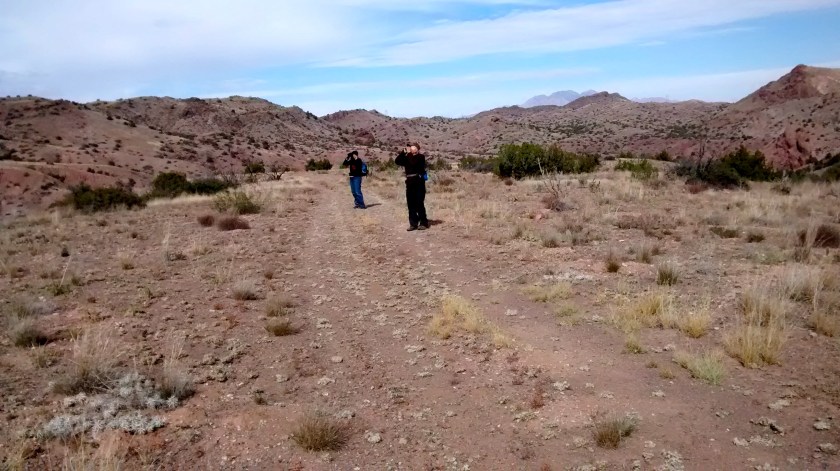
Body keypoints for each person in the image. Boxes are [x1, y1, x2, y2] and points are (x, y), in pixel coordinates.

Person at [394, 143, 429, 231]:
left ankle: (423, 222)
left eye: (413, 147)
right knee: (411, 204)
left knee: (419, 203)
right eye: (410, 148)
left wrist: (409, 154)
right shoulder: (407, 157)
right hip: (409, 183)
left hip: (418, 182)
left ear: (417, 149)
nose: (410, 149)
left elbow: (414, 163)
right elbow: (397, 161)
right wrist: (403, 152)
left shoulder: (421, 157)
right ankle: (413, 223)